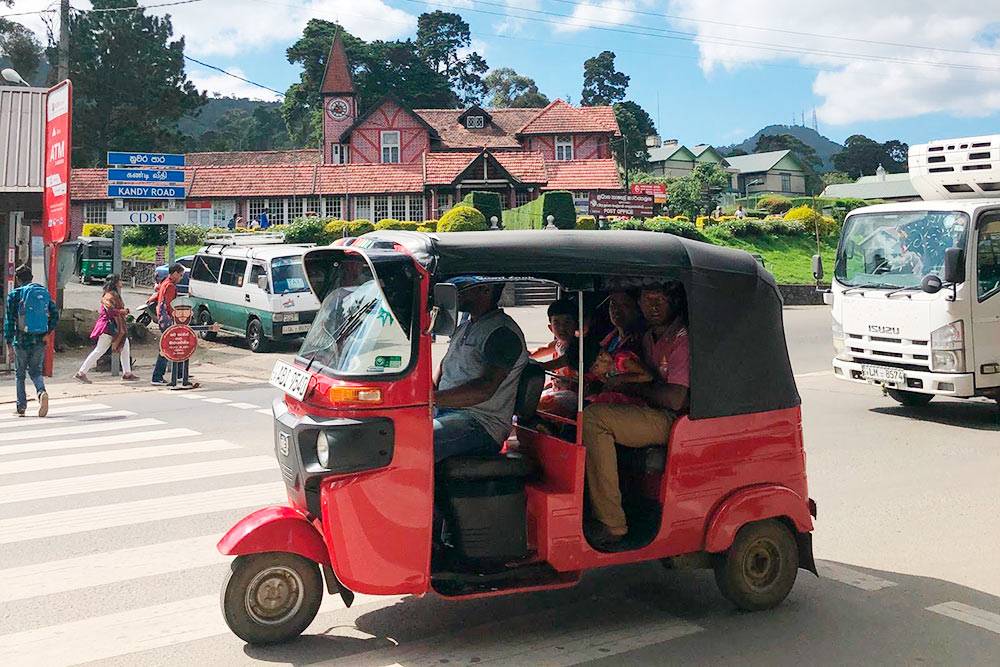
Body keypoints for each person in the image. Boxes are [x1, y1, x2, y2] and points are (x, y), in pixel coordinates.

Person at [581, 283, 690, 547]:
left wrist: (626, 385)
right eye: (646, 299)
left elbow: (675, 400)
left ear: (673, 301)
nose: (652, 306)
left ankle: (612, 523)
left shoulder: (682, 339)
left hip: (674, 421)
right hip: (649, 409)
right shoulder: (649, 338)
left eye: (659, 299)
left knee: (594, 420)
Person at [433, 279, 528, 463]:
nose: (457, 292)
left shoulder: (503, 333)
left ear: (485, 289)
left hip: (480, 423)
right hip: (446, 412)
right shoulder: (464, 327)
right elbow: (442, 368)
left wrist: (430, 399)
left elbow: (485, 388)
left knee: (417, 441)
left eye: (463, 288)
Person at [4, 265, 58, 417]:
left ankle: (21, 407)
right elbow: (55, 315)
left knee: (20, 374)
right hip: (40, 339)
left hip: (21, 340)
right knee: (35, 371)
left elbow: (9, 321)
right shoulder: (43, 293)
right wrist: (47, 333)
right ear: (32, 278)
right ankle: (41, 392)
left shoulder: (14, 295)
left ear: (17, 279)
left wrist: (8, 343)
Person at [75, 275, 137, 383]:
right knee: (100, 350)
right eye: (120, 280)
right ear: (116, 283)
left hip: (114, 326)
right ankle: (81, 372)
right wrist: (122, 312)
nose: (121, 282)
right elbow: (110, 311)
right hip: (109, 327)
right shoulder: (110, 296)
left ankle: (127, 373)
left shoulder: (112, 294)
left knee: (125, 346)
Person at [151, 263, 185, 386]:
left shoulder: (164, 283)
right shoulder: (170, 286)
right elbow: (170, 305)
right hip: (168, 321)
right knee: (170, 347)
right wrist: (177, 318)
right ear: (175, 273)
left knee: (175, 346)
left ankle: (180, 372)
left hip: (162, 319)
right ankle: (157, 376)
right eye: (180, 275)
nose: (181, 278)